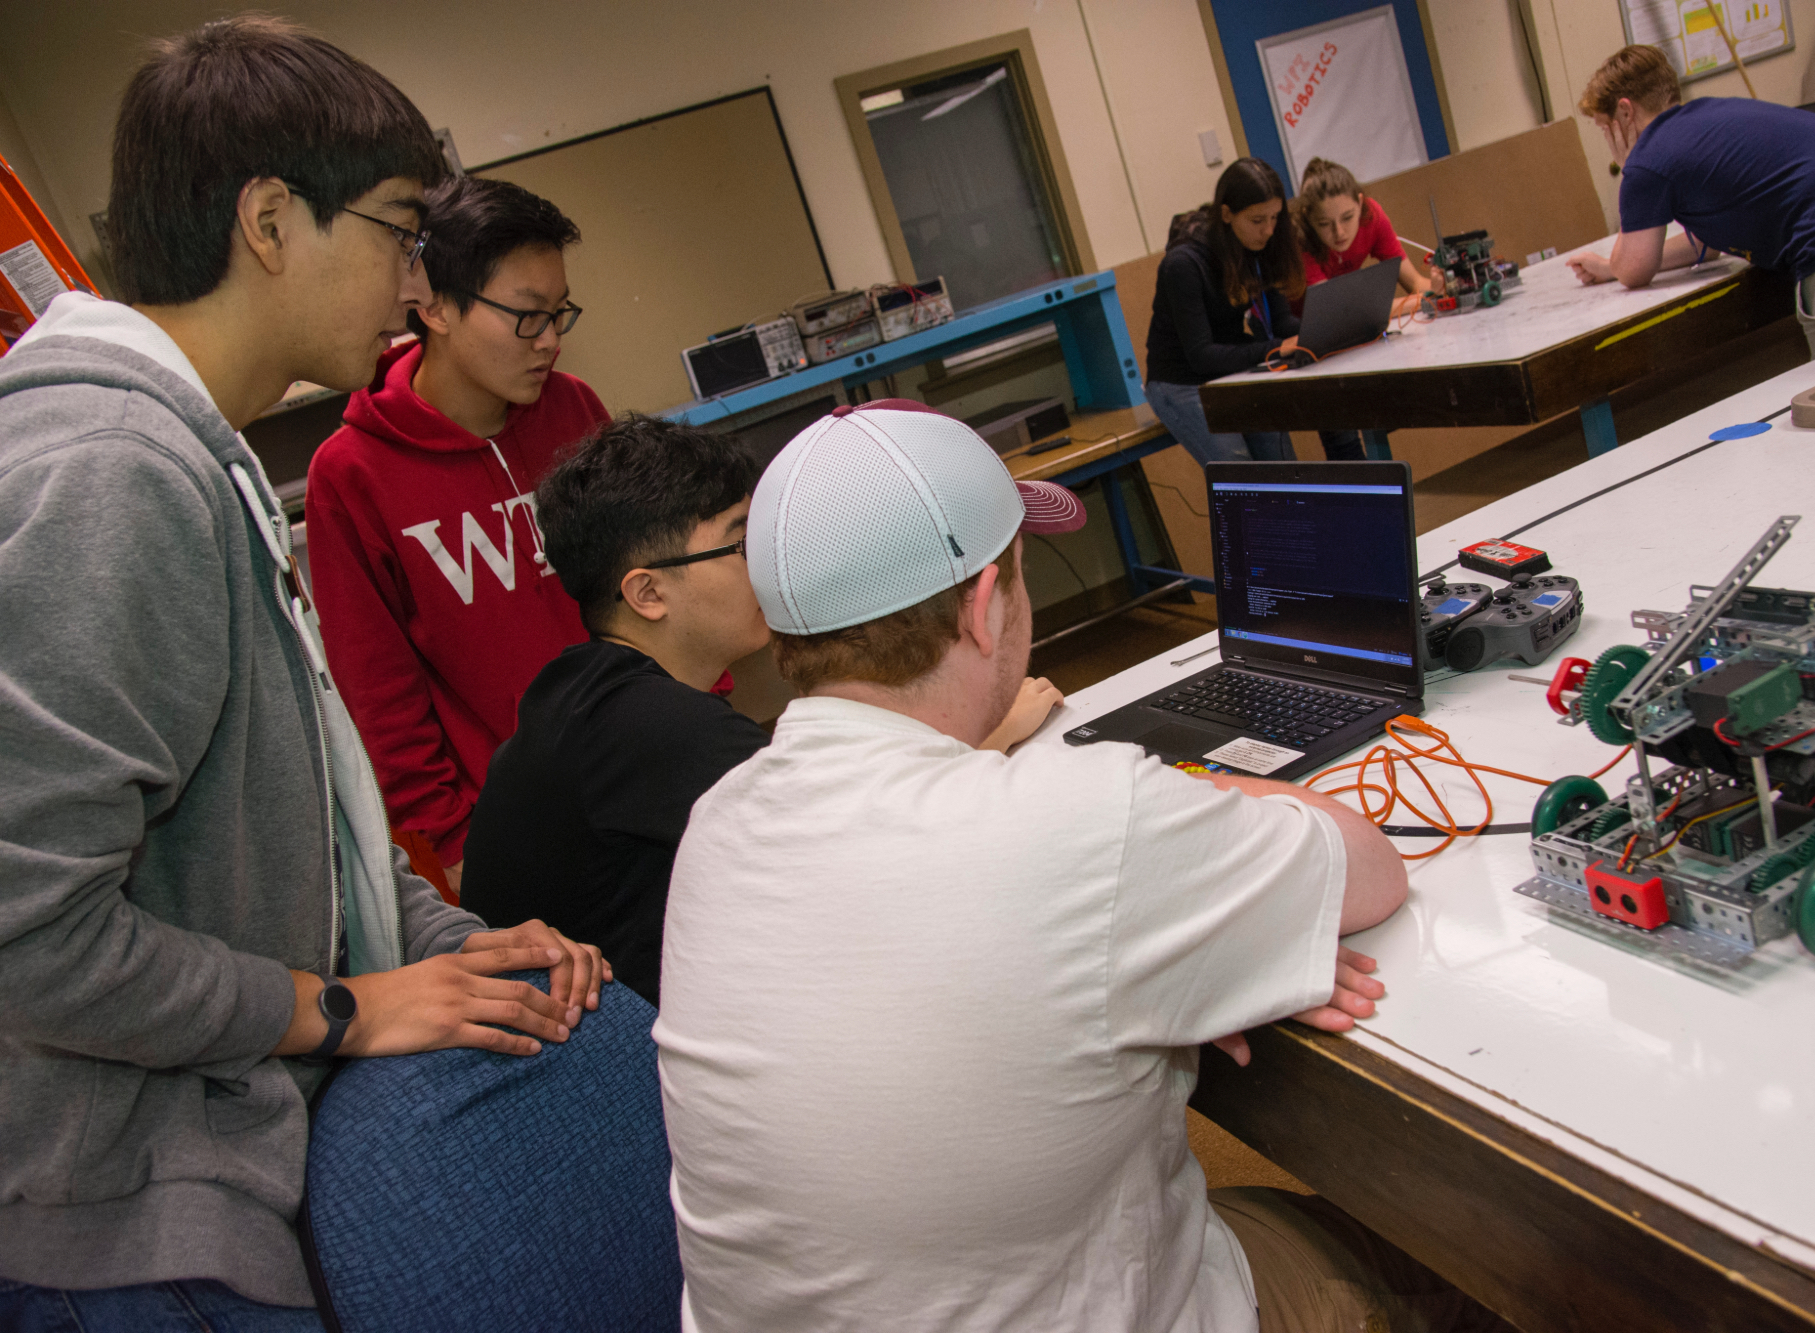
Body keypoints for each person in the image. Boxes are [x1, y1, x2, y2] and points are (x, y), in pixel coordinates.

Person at [0, 19, 608, 1327]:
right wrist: (345, 1005)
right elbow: (28, 936)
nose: (412, 285)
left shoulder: (190, 451)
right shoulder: (115, 471)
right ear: (271, 219)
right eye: (399, 232)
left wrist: (448, 940)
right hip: (126, 1235)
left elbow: (280, 824)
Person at [655, 400, 1509, 1332]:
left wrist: (1159, 938)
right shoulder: (1081, 824)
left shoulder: (718, 824)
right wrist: (1188, 876)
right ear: (986, 606)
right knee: (1477, 1271)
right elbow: (1370, 868)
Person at [464, 413, 1070, 1005]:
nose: (772, 562)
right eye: (740, 540)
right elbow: (880, 850)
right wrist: (989, 733)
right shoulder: (647, 727)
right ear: (648, 594)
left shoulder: (584, 696)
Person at [306, 175, 612, 896]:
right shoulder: (351, 473)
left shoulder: (574, 410)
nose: (552, 342)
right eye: (528, 317)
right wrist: (449, 837)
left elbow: (650, 571)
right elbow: (377, 683)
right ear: (435, 306)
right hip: (505, 827)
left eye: (561, 312)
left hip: (638, 765)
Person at [1566, 44, 1815, 358]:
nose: (1608, 141)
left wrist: (1628, 170)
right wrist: (1606, 267)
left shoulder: (1647, 158)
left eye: (1604, 128)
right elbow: (1707, 243)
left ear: (1625, 111)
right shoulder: (1711, 117)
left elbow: (1635, 269)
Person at [1144, 157, 1306, 466]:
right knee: (1239, 473)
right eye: (1258, 220)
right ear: (1227, 215)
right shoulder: (1184, 264)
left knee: (1283, 465)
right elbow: (1202, 355)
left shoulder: (1261, 245)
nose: (1269, 230)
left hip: (1230, 367)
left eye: (1274, 218)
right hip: (1181, 381)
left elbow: (1282, 321)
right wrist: (1276, 349)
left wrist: (1320, 330)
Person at [1288, 156, 1437, 461]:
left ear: (1360, 203)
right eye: (1324, 225)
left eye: (1347, 217)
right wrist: (1415, 302)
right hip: (1306, 340)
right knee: (1342, 439)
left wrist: (1438, 285)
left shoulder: (1373, 216)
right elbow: (1337, 316)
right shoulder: (1298, 238)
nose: (1340, 233)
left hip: (1353, 335)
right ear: (1307, 219)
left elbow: (1415, 284)